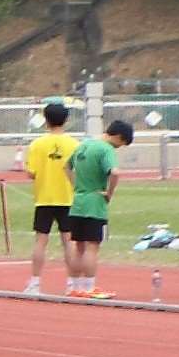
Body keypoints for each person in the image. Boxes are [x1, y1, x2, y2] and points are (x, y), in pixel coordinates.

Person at [19, 100, 80, 296]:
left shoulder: (37, 144)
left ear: (46, 120)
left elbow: (32, 173)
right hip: (68, 198)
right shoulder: (75, 144)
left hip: (44, 198)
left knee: (40, 241)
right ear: (66, 120)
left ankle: (35, 283)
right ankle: (72, 284)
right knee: (68, 241)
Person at [65, 116, 130, 297]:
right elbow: (115, 172)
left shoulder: (84, 145)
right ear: (118, 137)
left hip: (78, 202)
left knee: (78, 246)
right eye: (121, 144)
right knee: (92, 246)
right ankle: (89, 287)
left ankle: (74, 287)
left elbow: (66, 166)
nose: (119, 147)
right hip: (94, 202)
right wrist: (109, 193)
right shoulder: (106, 149)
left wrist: (76, 186)